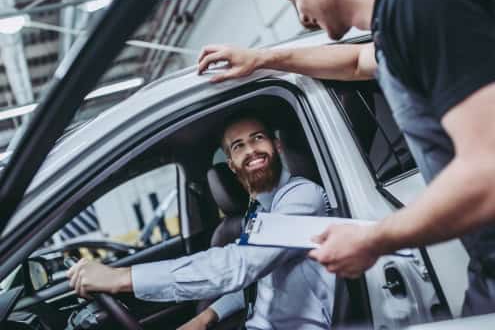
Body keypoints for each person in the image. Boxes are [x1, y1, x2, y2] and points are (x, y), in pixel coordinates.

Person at [197, 0, 495, 316]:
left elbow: (487, 174)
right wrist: (261, 59)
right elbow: (355, 62)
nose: (301, 15)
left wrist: (372, 241)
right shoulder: (397, 20)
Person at [67, 112, 336, 329]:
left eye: (258, 138)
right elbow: (253, 282)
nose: (251, 150)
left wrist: (121, 277)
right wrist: (206, 317)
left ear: (276, 146)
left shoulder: (302, 197)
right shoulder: (257, 211)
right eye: (238, 146)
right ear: (231, 163)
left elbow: (240, 265)